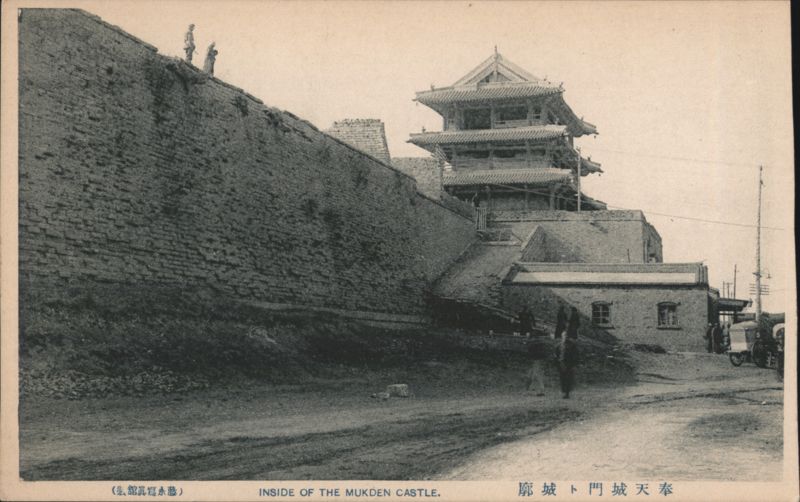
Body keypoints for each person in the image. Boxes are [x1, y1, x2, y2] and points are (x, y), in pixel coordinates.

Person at [554, 333, 579, 398]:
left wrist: (573, 365)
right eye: (564, 336)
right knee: (563, 379)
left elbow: (575, 355)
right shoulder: (558, 346)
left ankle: (567, 393)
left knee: (569, 379)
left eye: (566, 336)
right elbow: (556, 356)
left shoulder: (572, 345)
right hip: (561, 364)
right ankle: (564, 392)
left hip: (569, 364)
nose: (565, 337)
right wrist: (558, 364)